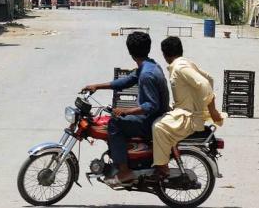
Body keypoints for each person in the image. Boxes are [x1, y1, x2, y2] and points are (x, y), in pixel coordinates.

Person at [82, 31, 169, 185]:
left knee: (114, 124)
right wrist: (97, 86)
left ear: (130, 52)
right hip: (156, 116)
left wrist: (126, 111)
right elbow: (126, 82)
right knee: (116, 119)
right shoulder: (149, 65)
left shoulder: (146, 74)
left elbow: (151, 105)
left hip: (152, 120)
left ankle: (124, 171)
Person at [152, 36, 224, 178]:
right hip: (188, 112)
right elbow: (209, 78)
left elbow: (204, 83)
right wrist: (197, 103)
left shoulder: (180, 67)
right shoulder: (186, 63)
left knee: (157, 127)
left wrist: (212, 110)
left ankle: (162, 167)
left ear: (165, 54)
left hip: (188, 118)